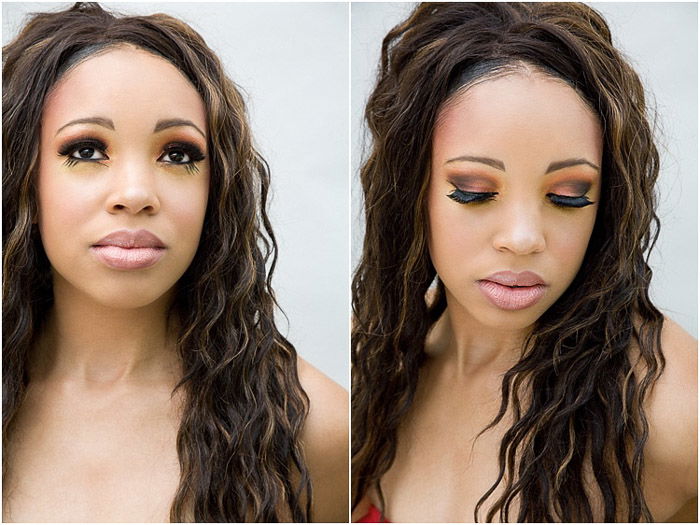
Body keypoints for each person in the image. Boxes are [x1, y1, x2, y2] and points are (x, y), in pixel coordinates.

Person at [2, 2, 348, 522]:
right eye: (88, 150)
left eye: (178, 155)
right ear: (23, 174)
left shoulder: (314, 428)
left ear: (218, 188)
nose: (137, 193)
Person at [351, 2, 696, 522]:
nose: (523, 238)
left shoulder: (673, 409)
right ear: (411, 190)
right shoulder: (369, 353)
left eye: (568, 195)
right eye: (474, 191)